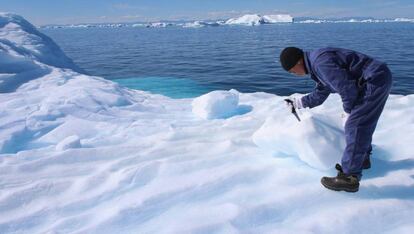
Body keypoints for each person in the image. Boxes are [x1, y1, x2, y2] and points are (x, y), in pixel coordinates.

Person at [279, 47, 392, 192]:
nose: (294, 75)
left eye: (292, 71)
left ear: (298, 62)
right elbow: (321, 92)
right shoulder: (316, 64)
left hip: (373, 80)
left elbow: (347, 88)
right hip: (375, 77)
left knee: (355, 124)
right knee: (361, 122)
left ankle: (349, 177)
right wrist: (299, 103)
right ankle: (362, 159)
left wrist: (348, 112)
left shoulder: (320, 63)